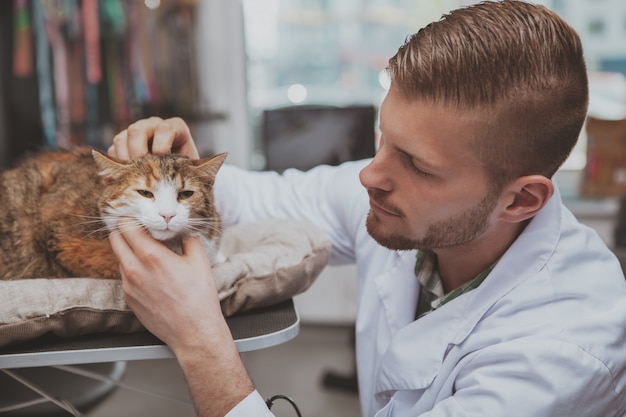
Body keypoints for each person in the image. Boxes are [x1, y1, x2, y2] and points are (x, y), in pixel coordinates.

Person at [107, 1, 626, 416]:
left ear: (521, 199)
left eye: (417, 165)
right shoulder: (401, 199)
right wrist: (184, 173)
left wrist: (201, 344)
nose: (369, 176)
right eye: (383, 138)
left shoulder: (560, 355)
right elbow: (258, 201)